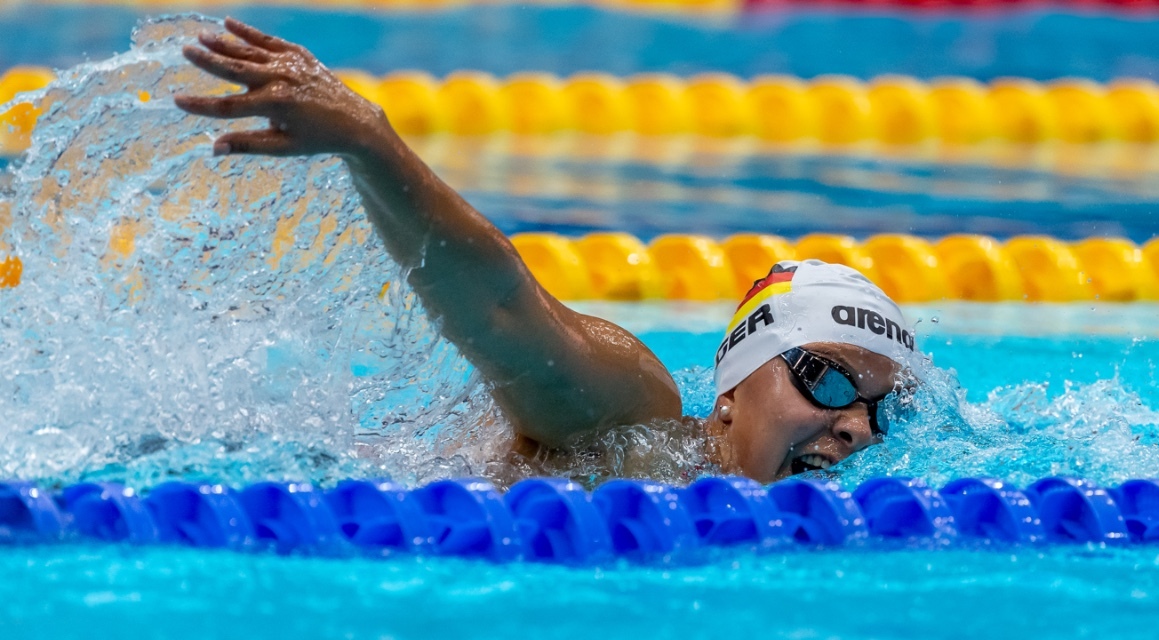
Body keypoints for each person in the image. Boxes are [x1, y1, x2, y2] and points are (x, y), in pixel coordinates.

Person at [174, 18, 917, 484]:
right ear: (728, 397)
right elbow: (501, 312)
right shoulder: (631, 423)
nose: (856, 426)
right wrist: (371, 144)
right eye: (824, 381)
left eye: (881, 411)